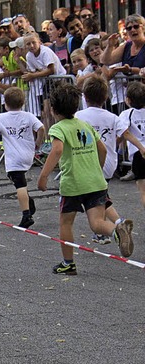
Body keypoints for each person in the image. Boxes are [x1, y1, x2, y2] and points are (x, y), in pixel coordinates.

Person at [38, 83, 134, 275]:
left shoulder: (59, 128)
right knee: (97, 223)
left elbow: (56, 150)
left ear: (53, 109)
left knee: (66, 223)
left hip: (73, 183)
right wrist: (97, 167)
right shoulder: (85, 125)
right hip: (95, 181)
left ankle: (68, 263)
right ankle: (116, 230)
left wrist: (43, 176)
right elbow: (103, 149)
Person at [76, 76, 144, 244]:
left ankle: (106, 230)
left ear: (84, 96)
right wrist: (137, 147)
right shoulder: (112, 117)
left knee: (92, 199)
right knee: (100, 196)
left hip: (89, 162)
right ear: (106, 97)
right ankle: (117, 224)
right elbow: (124, 134)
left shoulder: (79, 116)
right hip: (108, 163)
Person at [0, 87, 43, 228]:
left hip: (13, 157)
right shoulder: (28, 116)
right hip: (28, 153)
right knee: (18, 180)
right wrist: (38, 141)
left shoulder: (1, 117)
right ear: (23, 102)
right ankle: (28, 201)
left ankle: (26, 214)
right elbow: (41, 128)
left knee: (19, 184)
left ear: (5, 103)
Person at [117, 81, 145, 217]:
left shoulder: (127, 113)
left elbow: (122, 132)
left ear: (128, 100)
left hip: (139, 155)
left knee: (143, 190)